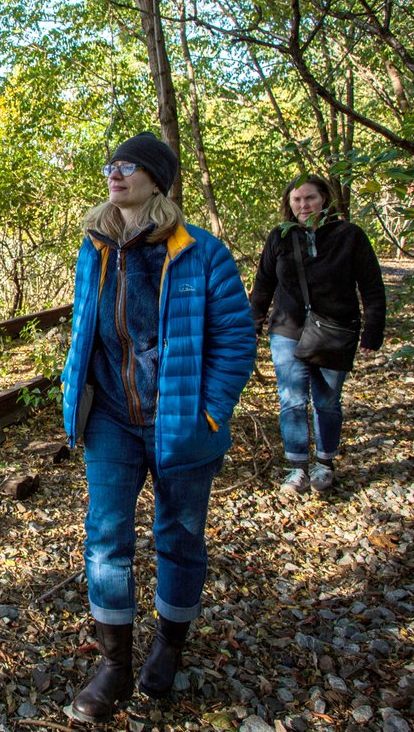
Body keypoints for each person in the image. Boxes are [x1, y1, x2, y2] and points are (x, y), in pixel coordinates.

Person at [59, 132, 256, 723]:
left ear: (156, 180)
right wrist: (75, 395)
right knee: (106, 537)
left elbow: (236, 340)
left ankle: (169, 645)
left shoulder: (201, 251)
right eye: (110, 166)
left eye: (129, 167)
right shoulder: (94, 247)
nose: (115, 174)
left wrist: (210, 411)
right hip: (113, 421)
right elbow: (84, 329)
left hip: (182, 422)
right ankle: (115, 662)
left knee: (179, 536)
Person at [248, 174, 386, 496]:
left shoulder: (349, 235)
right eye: (297, 200)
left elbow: (372, 286)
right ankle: (296, 468)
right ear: (289, 204)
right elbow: (263, 285)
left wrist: (373, 331)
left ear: (325, 199)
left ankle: (324, 463)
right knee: (291, 400)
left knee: (326, 401)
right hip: (287, 329)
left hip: (334, 331)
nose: (303, 205)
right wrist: (251, 326)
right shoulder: (280, 237)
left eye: (309, 198)